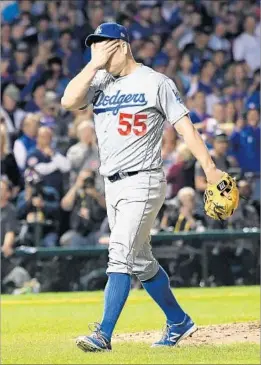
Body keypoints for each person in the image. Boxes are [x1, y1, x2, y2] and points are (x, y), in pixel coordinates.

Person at [62, 22, 227, 351]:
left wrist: (210, 169)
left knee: (119, 254)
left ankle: (103, 334)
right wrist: (94, 64)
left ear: (122, 45)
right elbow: (68, 100)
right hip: (111, 184)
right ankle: (179, 321)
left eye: (103, 44)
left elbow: (186, 129)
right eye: (95, 45)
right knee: (140, 261)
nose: (98, 50)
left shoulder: (155, 82)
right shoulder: (98, 81)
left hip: (143, 180)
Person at [60, 169, 107, 247]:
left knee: (105, 240)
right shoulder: (75, 192)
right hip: (78, 232)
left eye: (88, 179)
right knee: (67, 239)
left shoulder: (99, 192)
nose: (85, 181)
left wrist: (95, 194)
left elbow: (108, 207)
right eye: (82, 178)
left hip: (97, 231)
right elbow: (65, 206)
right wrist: (76, 186)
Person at [16, 168, 60, 248]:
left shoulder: (50, 192)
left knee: (50, 244)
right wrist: (27, 201)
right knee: (23, 241)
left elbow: (57, 209)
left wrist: (44, 204)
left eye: (36, 183)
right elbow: (18, 214)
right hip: (28, 230)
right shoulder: (22, 195)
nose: (34, 186)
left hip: (48, 229)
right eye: (30, 184)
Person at [26, 126, 71, 195]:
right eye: (43, 137)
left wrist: (53, 155)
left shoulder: (57, 152)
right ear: (37, 138)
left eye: (48, 137)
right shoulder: (32, 154)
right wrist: (56, 164)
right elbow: (38, 170)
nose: (46, 139)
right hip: (39, 193)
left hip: (58, 191)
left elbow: (66, 167)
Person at [66, 120, 100, 186]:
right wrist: (86, 147)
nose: (87, 134)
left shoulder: (99, 150)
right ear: (78, 134)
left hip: (99, 185)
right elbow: (74, 165)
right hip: (80, 186)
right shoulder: (73, 150)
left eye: (90, 132)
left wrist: (93, 145)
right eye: (84, 132)